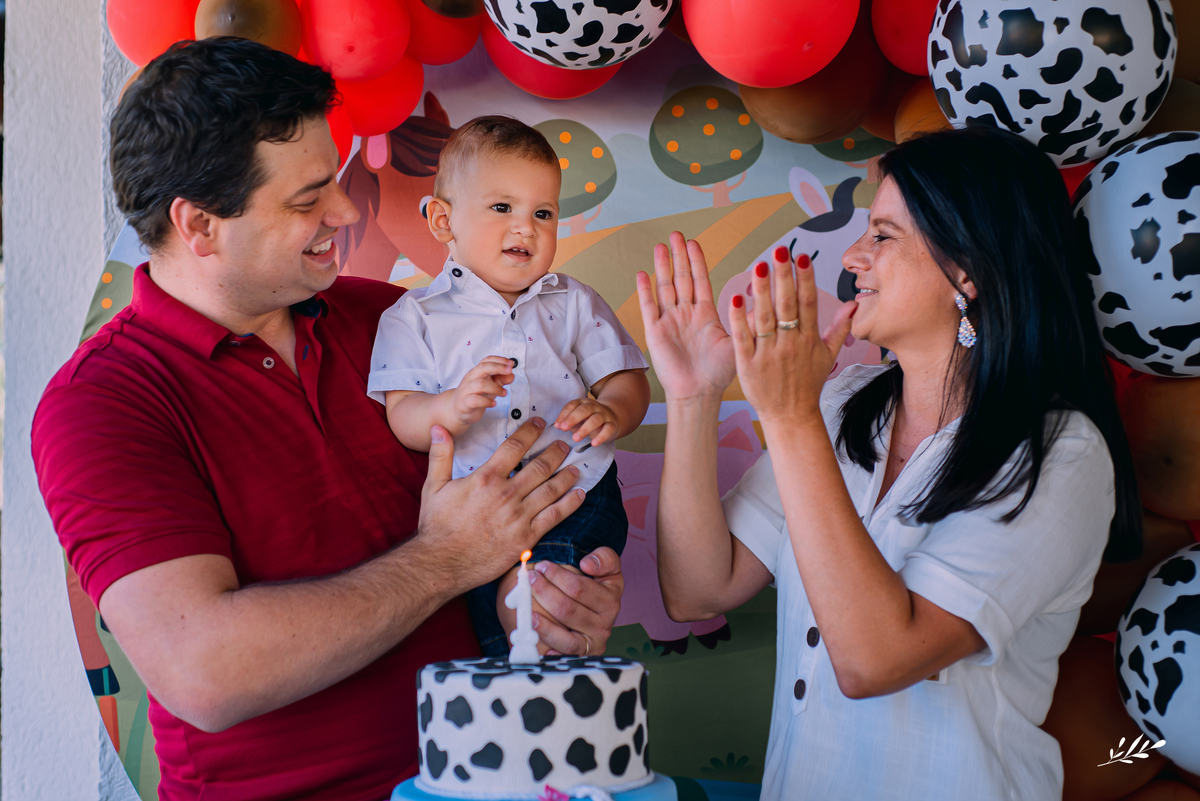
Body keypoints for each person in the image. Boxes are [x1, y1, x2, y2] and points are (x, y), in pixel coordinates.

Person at [32, 38, 624, 801]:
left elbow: (511, 535)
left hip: (496, 780)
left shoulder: (398, 321)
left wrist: (556, 604)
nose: (346, 211)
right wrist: (447, 556)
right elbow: (202, 669)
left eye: (336, 181)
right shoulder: (103, 404)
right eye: (308, 198)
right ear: (200, 225)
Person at [638, 127, 1141, 800]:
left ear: (968, 271)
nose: (852, 257)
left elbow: (875, 660)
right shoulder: (845, 404)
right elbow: (699, 587)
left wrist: (789, 417)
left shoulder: (1060, 454)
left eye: (883, 235)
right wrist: (695, 397)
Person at [367, 116, 650, 657]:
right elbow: (403, 417)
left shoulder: (571, 301)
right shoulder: (414, 316)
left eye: (543, 213)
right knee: (489, 626)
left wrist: (612, 410)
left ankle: (547, 678)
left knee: (544, 601)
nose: (526, 227)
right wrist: (451, 406)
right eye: (503, 208)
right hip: (474, 509)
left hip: (578, 491)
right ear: (443, 220)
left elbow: (626, 379)